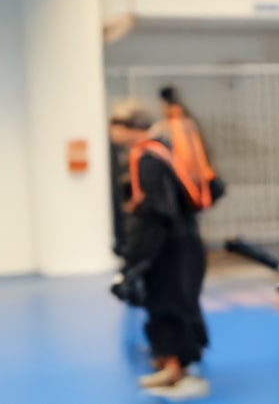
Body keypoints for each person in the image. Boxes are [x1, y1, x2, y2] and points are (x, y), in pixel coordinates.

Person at [107, 102, 211, 400]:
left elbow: (157, 209)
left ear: (129, 129)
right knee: (169, 303)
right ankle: (170, 363)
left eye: (116, 126)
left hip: (169, 245)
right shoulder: (160, 151)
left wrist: (137, 255)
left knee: (169, 304)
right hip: (178, 241)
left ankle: (177, 367)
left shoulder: (147, 157)